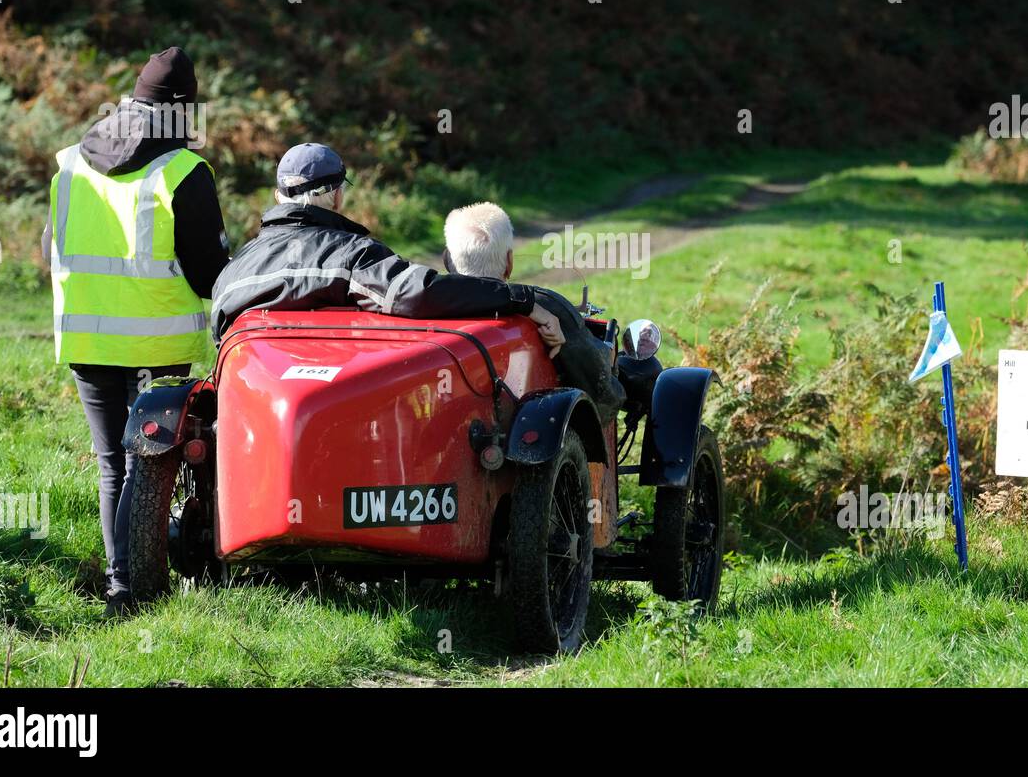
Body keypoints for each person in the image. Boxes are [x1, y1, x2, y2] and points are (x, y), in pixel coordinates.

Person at [43, 46, 229, 616]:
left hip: (87, 340)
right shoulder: (184, 172)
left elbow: (53, 247)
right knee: (147, 464)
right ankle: (133, 583)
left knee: (111, 464)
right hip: (155, 342)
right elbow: (209, 275)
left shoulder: (71, 162)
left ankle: (119, 586)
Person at [209, 144, 565, 353]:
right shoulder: (351, 255)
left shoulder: (233, 271)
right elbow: (420, 294)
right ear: (337, 196)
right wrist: (520, 299)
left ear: (278, 197)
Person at [443, 202, 625, 421]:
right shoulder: (547, 309)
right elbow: (604, 395)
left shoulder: (421, 305)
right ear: (509, 262)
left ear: (449, 261)